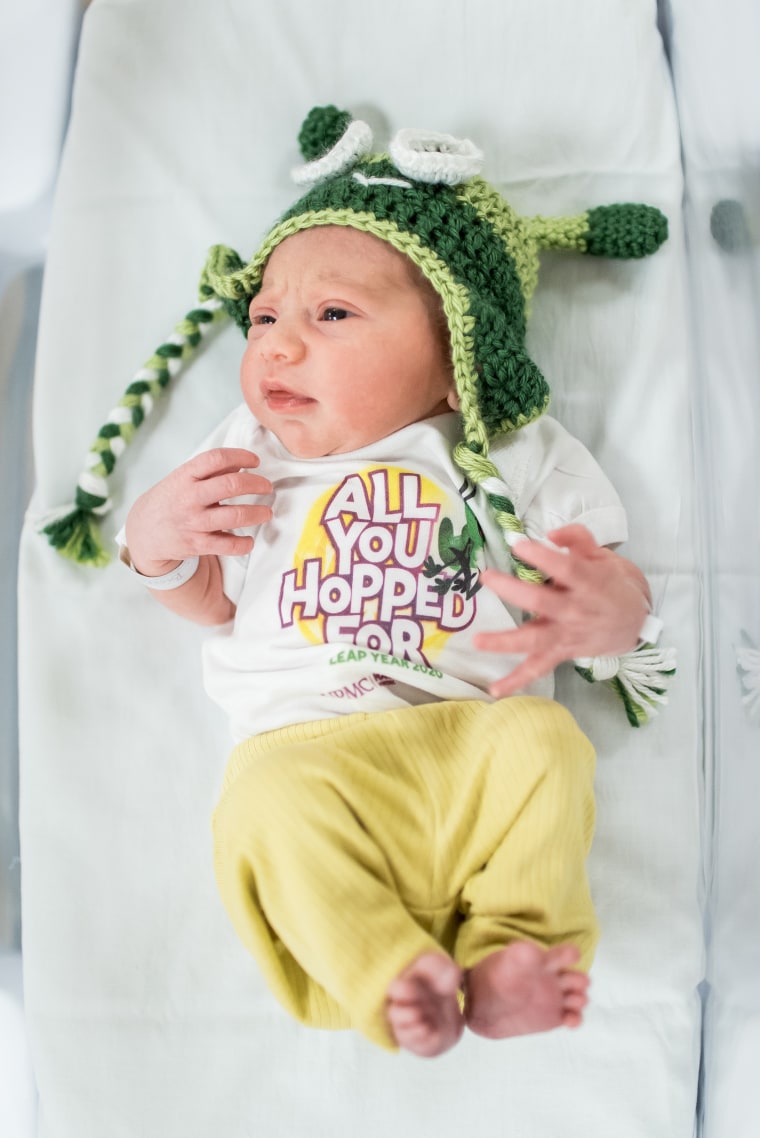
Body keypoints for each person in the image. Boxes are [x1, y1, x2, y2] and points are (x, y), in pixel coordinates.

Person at [117, 107, 668, 1057]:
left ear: (459, 356)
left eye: (331, 314)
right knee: (262, 805)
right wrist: (154, 541)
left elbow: (602, 579)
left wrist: (611, 608)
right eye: (264, 318)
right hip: (307, 748)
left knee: (546, 743)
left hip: (467, 740)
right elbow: (210, 603)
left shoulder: (512, 449)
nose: (278, 346)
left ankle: (510, 950)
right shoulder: (251, 448)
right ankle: (386, 967)